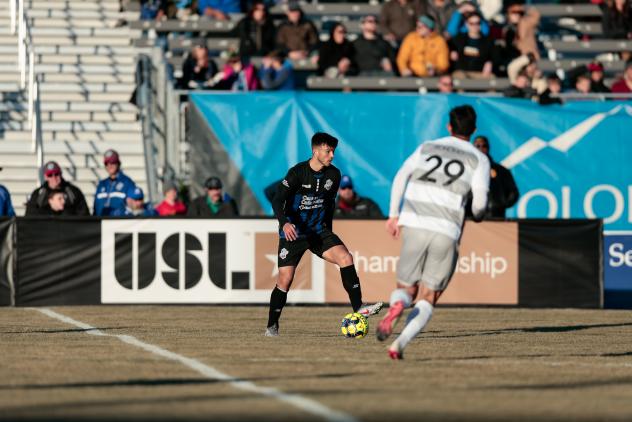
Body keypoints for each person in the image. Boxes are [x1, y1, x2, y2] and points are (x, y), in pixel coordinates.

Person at [376, 105, 490, 359]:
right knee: (429, 296)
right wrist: (478, 215)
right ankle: (399, 344)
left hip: (414, 222)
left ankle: (398, 304)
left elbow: (401, 176)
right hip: (446, 229)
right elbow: (480, 202)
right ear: (472, 130)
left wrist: (394, 215)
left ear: (449, 127)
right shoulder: (478, 158)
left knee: (406, 288)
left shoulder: (427, 147)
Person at [265, 132, 383, 337]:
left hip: (319, 231)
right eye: (328, 151)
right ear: (315, 151)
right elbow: (277, 199)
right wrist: (284, 224)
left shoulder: (334, 175)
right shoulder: (297, 173)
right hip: (294, 233)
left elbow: (329, 205)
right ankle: (272, 326)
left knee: (345, 257)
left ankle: (359, 308)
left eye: (333, 151)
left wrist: (329, 230)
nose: (332, 155)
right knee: (285, 279)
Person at [473, 136, 519, 218]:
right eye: (478, 146)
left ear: (488, 148)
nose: (481, 148)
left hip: (495, 215)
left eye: (484, 146)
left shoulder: (501, 170)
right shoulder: (468, 169)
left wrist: (500, 204)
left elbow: (513, 193)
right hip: (472, 216)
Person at [25, 161, 90, 216]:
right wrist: (49, 208)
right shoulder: (38, 194)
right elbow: (30, 217)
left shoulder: (73, 192)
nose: (54, 178)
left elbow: (84, 215)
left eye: (56, 174)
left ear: (61, 174)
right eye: (50, 175)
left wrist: (65, 210)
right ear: (45, 177)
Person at [449, 12, 494, 78]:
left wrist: (490, 62)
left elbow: (494, 56)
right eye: (471, 23)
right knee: (459, 77)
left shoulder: (488, 41)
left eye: (477, 23)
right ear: (466, 24)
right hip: (462, 72)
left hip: (480, 73)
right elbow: (449, 46)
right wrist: (452, 51)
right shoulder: (458, 39)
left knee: (492, 79)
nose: (475, 26)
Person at [94, 149, 137, 216]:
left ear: (118, 163)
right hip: (102, 223)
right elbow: (95, 208)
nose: (109, 165)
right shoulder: (101, 184)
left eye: (113, 162)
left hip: (120, 223)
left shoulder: (127, 182)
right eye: (107, 163)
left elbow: (134, 206)